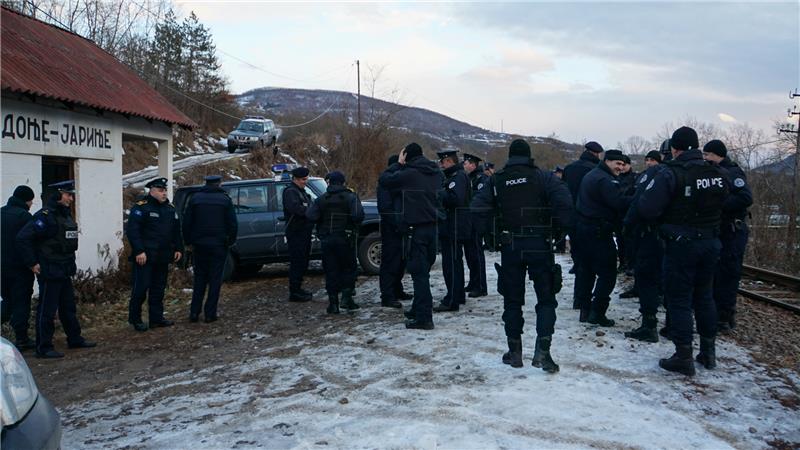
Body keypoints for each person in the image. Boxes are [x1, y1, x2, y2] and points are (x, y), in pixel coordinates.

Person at [472, 139, 574, 372]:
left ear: (509, 156)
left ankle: (515, 353)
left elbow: (477, 209)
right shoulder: (544, 177)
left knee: (512, 299)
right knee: (546, 299)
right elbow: (565, 204)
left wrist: (491, 237)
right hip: (539, 244)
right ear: (529, 156)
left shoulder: (496, 180)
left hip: (511, 246)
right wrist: (557, 233)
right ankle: (543, 353)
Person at [638, 126, 729, 376]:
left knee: (679, 300)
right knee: (705, 295)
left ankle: (683, 355)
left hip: (681, 244)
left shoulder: (671, 173)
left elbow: (647, 208)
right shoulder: (718, 173)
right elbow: (728, 201)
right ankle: (708, 353)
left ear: (675, 149)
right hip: (711, 242)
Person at [17, 180, 95, 358]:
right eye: (68, 194)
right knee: (47, 310)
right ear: (58, 194)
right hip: (50, 270)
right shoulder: (45, 216)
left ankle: (74, 338)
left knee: (68, 307)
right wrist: (32, 263)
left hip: (64, 269)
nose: (71, 198)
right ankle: (44, 347)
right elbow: (23, 238)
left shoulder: (64, 215)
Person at [379, 143, 442, 330]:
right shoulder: (436, 172)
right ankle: (417, 309)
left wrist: (398, 164)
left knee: (419, 275)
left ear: (406, 156)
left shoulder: (409, 174)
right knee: (425, 272)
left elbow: (384, 180)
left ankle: (424, 318)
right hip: (433, 227)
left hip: (417, 230)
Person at [573, 149, 633, 326]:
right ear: (607, 161)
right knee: (608, 273)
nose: (621, 168)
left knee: (587, 271)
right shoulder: (604, 180)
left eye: (623, 164)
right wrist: (638, 197)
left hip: (584, 230)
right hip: (598, 232)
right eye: (618, 164)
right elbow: (618, 203)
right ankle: (598, 311)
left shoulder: (593, 174)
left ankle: (585, 309)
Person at [702, 139, 752, 333]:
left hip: (733, 231)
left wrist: (719, 203)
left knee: (727, 275)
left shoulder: (733, 172)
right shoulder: (713, 172)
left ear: (717, 155)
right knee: (716, 274)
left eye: (707, 155)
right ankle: (717, 314)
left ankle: (725, 317)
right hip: (720, 230)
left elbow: (746, 198)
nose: (705, 158)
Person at [126, 177, 184, 332]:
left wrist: (178, 248)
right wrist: (139, 250)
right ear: (151, 191)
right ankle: (135, 319)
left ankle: (156, 318)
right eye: (160, 190)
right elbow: (133, 231)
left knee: (158, 288)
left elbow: (176, 231)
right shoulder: (141, 207)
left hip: (163, 256)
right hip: (145, 256)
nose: (164, 193)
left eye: (165, 190)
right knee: (141, 288)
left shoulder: (170, 208)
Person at [306, 171, 365, 314]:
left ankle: (333, 304)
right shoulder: (350, 197)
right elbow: (358, 216)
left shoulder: (321, 199)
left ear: (329, 183)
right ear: (343, 182)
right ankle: (347, 299)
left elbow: (310, 215)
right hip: (345, 238)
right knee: (349, 268)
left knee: (331, 270)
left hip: (327, 239)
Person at [623, 150, 665, 342]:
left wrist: (628, 227)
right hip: (683, 238)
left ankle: (649, 326)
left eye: (652, 159)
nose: (649, 163)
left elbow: (640, 204)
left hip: (651, 234)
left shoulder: (656, 175)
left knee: (647, 278)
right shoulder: (713, 173)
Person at [182, 175, 237, 323]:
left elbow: (187, 222)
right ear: (218, 184)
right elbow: (232, 223)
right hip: (218, 245)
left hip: (199, 245)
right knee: (215, 279)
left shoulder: (195, 199)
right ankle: (210, 314)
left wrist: (189, 242)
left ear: (206, 184)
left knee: (199, 279)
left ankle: (194, 313)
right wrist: (230, 241)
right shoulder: (225, 200)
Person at [564, 141, 604, 297]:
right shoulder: (595, 170)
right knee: (589, 261)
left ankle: (578, 296)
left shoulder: (569, 168)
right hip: (589, 217)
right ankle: (583, 298)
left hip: (571, 216)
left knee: (578, 256)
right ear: (596, 154)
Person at [434, 149, 470, 312]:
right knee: (454, 262)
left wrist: (441, 193)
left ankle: (452, 299)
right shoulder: (453, 177)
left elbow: (456, 199)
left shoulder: (458, 177)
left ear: (449, 161)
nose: (441, 165)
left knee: (452, 264)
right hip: (452, 225)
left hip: (454, 226)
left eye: (443, 162)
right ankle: (458, 294)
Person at [1, 185, 36, 349]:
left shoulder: (1, 213)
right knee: (21, 302)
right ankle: (22, 338)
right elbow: (28, 243)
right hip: (20, 268)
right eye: (31, 201)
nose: (31, 204)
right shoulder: (25, 217)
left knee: (7, 301)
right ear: (26, 200)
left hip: (2, 268)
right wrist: (32, 263)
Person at [377, 155, 411, 308]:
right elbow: (385, 208)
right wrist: (397, 224)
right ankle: (387, 295)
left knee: (400, 261)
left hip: (401, 227)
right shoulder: (385, 184)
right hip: (391, 228)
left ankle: (397, 290)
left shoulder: (397, 183)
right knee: (390, 262)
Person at [281, 167, 315, 302]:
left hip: (304, 232)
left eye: (306, 179)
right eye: (303, 180)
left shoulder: (302, 192)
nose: (305, 182)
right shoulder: (290, 192)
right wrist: (309, 211)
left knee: (303, 262)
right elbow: (296, 208)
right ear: (295, 179)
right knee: (297, 262)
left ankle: (298, 288)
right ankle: (294, 291)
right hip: (296, 233)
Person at [462, 153, 488, 298]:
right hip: (468, 221)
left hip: (476, 221)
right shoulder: (469, 178)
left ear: (473, 164)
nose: (464, 165)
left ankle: (481, 286)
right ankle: (473, 282)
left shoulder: (481, 179)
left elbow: (479, 200)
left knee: (477, 254)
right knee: (470, 254)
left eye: (466, 163)